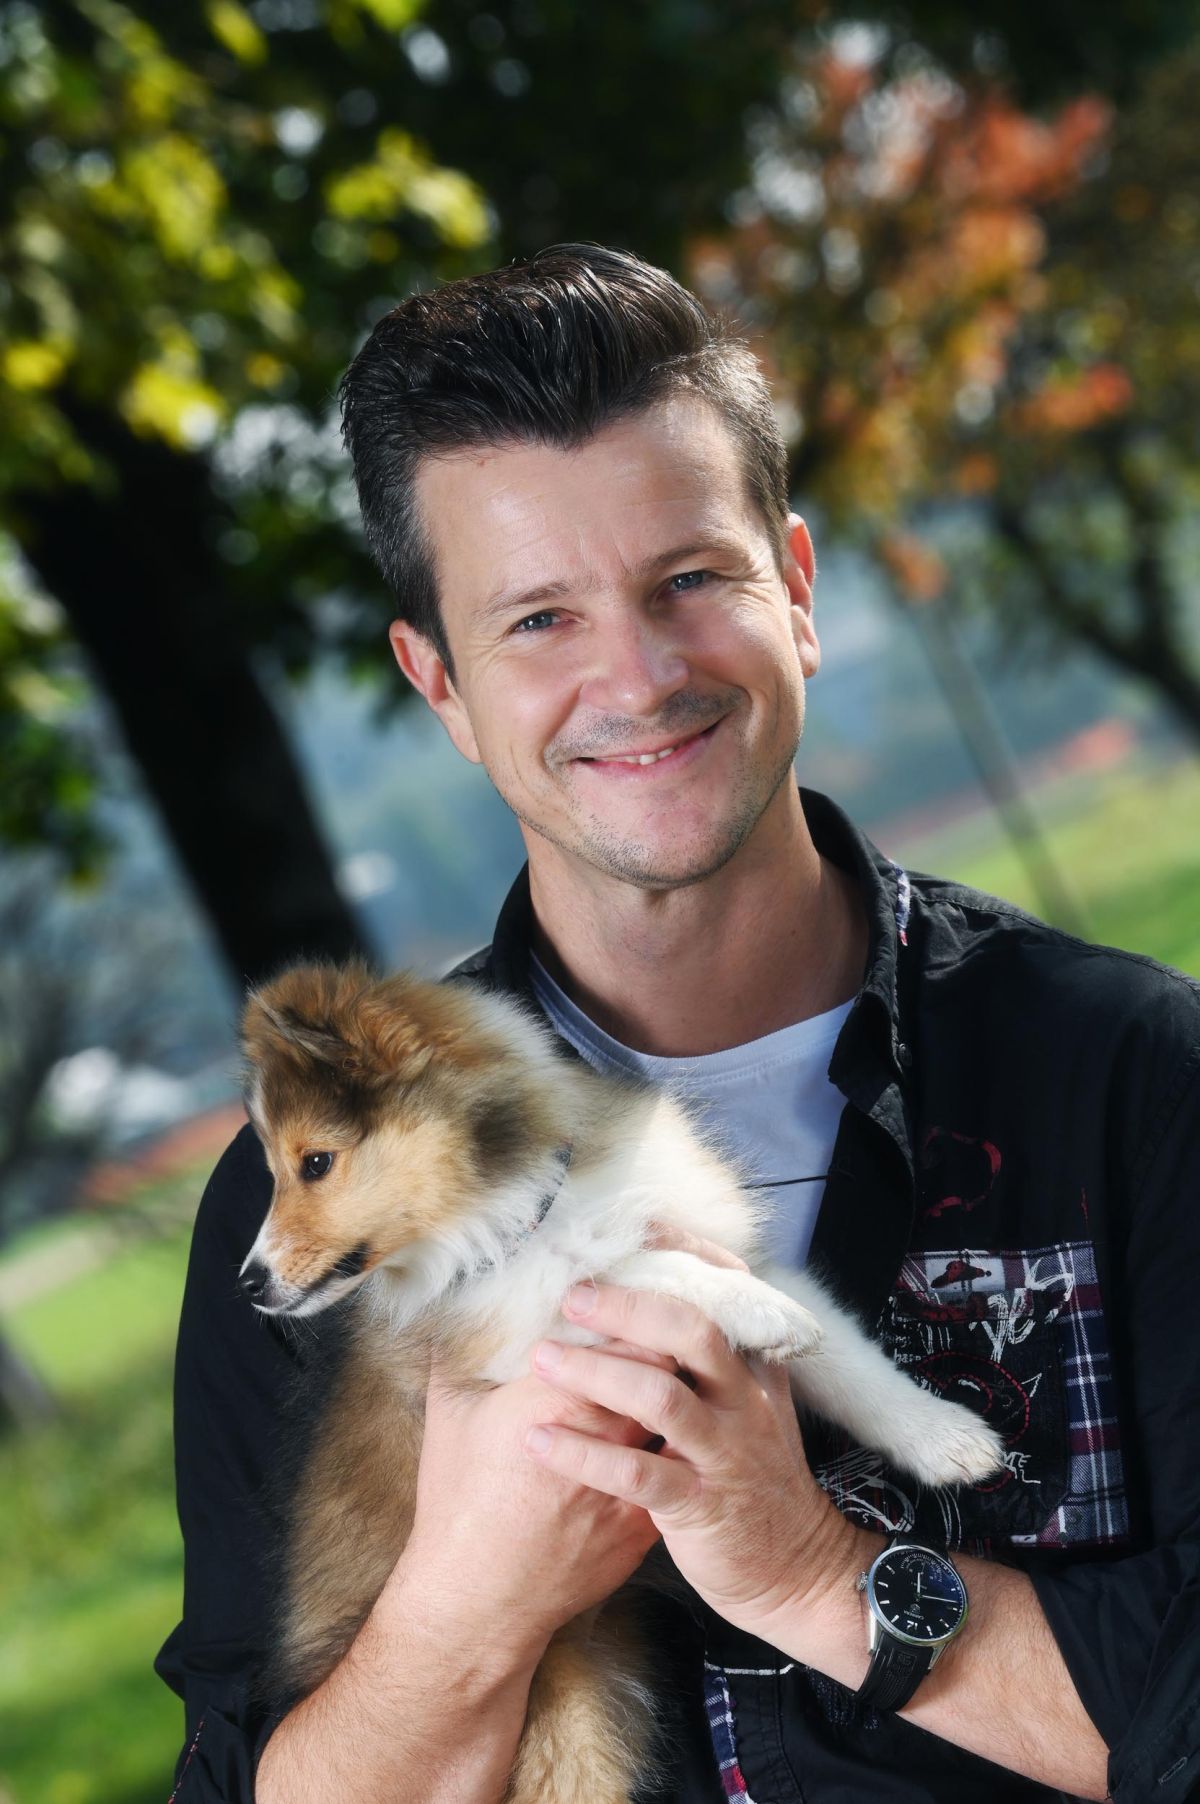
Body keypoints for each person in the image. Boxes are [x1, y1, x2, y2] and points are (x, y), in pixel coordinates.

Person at [156, 244, 1200, 1804]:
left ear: (797, 587)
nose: (637, 678)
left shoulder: (1135, 1081)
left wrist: (805, 1570)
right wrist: (467, 1605)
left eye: (690, 581)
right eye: (539, 620)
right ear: (440, 686)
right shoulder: (307, 1202)